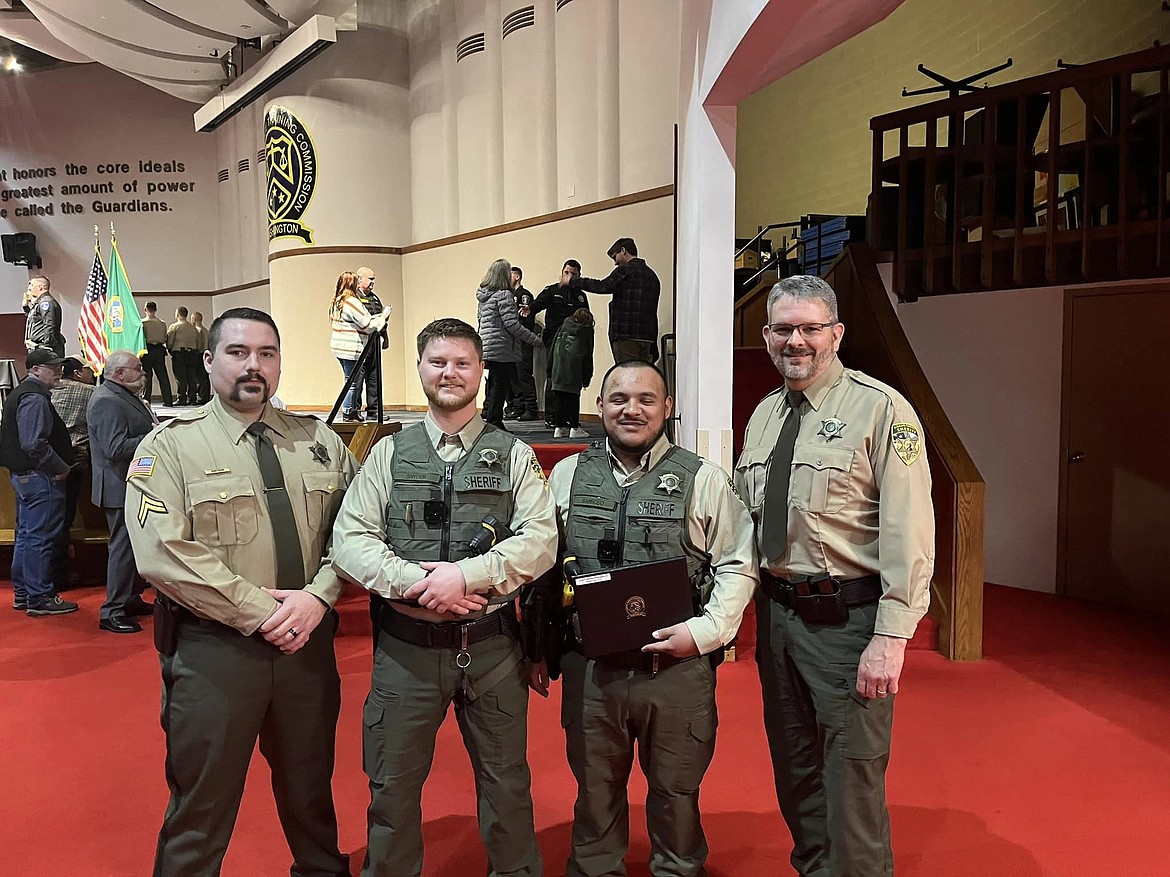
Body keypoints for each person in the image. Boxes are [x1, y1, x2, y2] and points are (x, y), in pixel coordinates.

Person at [125, 307, 357, 877]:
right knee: (201, 809)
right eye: (237, 352)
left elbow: (359, 531)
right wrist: (260, 612)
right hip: (215, 655)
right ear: (208, 361)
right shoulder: (170, 448)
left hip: (306, 649)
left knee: (312, 796)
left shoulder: (320, 442)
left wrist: (318, 596)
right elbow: (164, 553)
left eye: (267, 354)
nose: (253, 366)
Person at [331, 317, 557, 877]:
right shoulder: (388, 454)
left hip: (492, 649)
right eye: (438, 362)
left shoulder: (513, 455)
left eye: (462, 362)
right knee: (392, 787)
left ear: (481, 370)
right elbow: (350, 539)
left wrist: (467, 577)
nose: (450, 373)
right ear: (421, 369)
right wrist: (420, 585)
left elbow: (541, 538)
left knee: (507, 786)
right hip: (406, 650)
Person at [734, 275, 935, 877]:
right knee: (795, 770)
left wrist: (891, 637)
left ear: (836, 333)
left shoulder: (882, 409)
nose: (797, 341)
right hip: (777, 618)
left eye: (810, 328)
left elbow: (910, 532)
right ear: (766, 335)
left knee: (851, 777)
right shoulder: (766, 414)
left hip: (849, 623)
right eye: (783, 329)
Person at [530, 359, 757, 877]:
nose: (632, 410)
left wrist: (705, 633)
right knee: (594, 795)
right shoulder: (567, 475)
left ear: (667, 408)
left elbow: (739, 562)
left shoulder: (702, 478)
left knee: (677, 796)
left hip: (675, 671)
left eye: (646, 400)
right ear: (600, 406)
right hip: (592, 670)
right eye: (619, 399)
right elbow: (540, 565)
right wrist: (536, 648)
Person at [0, 347, 77, 616]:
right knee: (40, 538)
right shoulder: (34, 397)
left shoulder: (24, 394)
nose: (59, 371)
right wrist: (60, 468)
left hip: (26, 476)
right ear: (35, 370)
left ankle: (25, 593)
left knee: (27, 536)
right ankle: (39, 596)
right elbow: (33, 443)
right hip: (40, 476)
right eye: (53, 367)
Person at [87, 350, 157, 634]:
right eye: (137, 368)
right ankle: (112, 610)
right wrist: (154, 436)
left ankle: (128, 599)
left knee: (131, 548)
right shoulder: (107, 400)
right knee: (123, 549)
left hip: (129, 483)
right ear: (119, 373)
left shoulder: (119, 394)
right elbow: (114, 448)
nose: (142, 372)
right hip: (118, 487)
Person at [475, 259, 542, 429]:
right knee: (500, 385)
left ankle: (492, 419)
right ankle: (495, 422)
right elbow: (512, 325)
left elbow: (481, 321)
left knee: (494, 384)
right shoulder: (504, 295)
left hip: (487, 345)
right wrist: (535, 339)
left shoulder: (484, 296)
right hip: (501, 347)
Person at [48, 356, 96, 593]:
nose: (91, 372)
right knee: (63, 521)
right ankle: (59, 577)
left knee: (46, 522)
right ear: (78, 373)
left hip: (47, 463)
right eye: (88, 369)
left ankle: (45, 576)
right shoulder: (90, 393)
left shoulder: (49, 391)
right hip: (74, 462)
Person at [574, 238, 660, 365]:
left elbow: (602, 286)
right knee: (642, 380)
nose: (615, 263)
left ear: (623, 251)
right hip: (647, 338)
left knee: (626, 379)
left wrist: (574, 281)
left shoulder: (625, 270)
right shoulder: (653, 277)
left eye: (615, 257)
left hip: (625, 337)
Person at [530, 260, 589, 426]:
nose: (569, 277)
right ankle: (552, 417)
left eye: (574, 274)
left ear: (579, 276)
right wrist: (528, 310)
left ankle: (570, 418)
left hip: (573, 345)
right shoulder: (552, 290)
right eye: (567, 273)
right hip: (554, 341)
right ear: (562, 273)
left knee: (572, 380)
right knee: (553, 377)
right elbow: (536, 305)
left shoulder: (581, 296)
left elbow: (585, 318)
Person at [329, 270, 390, 422]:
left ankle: (352, 411)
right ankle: (349, 413)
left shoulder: (338, 300)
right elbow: (368, 326)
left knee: (351, 380)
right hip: (351, 350)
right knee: (352, 383)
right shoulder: (351, 301)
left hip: (341, 348)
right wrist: (383, 316)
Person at [547, 307, 593, 439]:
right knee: (573, 399)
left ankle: (559, 427)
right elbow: (587, 356)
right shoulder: (586, 331)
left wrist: (549, 369)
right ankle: (574, 427)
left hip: (558, 368)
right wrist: (586, 378)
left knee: (560, 399)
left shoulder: (563, 326)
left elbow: (553, 347)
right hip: (574, 370)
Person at [504, 265, 539, 421]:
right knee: (513, 377)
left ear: (517, 276)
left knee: (524, 375)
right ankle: (518, 407)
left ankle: (530, 408)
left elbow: (526, 320)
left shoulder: (524, 295)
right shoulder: (507, 296)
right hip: (511, 343)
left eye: (509, 275)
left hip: (522, 341)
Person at [355, 266, 389, 422]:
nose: (373, 282)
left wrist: (385, 338)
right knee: (357, 379)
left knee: (374, 378)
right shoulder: (353, 298)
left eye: (374, 279)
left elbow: (382, 319)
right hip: (361, 344)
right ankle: (354, 411)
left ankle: (374, 410)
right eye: (370, 279)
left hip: (374, 343)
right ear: (360, 279)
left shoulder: (374, 298)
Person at [141, 300, 174, 407]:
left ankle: (147, 400)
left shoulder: (142, 323)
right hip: (159, 350)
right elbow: (165, 337)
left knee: (147, 376)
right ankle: (168, 400)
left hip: (148, 349)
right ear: (156, 310)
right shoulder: (162, 323)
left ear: (145, 310)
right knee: (163, 376)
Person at [23, 276, 65, 357]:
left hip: (44, 348)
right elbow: (36, 322)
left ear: (40, 287)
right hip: (37, 347)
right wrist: (26, 307)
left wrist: (47, 347)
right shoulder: (40, 303)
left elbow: (49, 325)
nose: (29, 288)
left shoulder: (46, 302)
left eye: (32, 285)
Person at [166, 306, 200, 405]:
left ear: (177, 314)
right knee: (191, 376)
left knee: (180, 377)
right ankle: (192, 398)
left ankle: (182, 398)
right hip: (192, 353)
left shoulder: (175, 326)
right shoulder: (192, 328)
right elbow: (197, 341)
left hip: (179, 353)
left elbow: (170, 340)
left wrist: (170, 349)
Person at [192, 311, 211, 404]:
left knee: (199, 378)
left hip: (199, 354)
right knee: (205, 377)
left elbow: (199, 345)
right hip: (206, 353)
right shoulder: (205, 330)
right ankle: (205, 396)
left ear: (194, 319)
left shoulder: (198, 331)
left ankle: (202, 397)